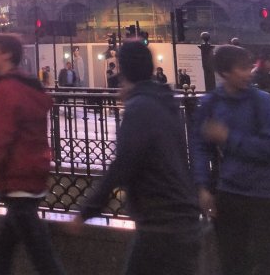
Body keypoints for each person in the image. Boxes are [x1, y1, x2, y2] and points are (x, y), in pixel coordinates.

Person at [73, 41, 201, 275]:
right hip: (182, 215)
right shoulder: (164, 100)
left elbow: (123, 164)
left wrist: (87, 210)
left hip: (160, 221)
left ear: (123, 68)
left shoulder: (140, 107)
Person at [191, 44, 270, 275]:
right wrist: (203, 187)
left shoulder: (262, 101)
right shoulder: (211, 103)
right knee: (232, 262)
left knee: (266, 262)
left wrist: (229, 138)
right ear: (224, 73)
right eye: (242, 68)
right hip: (230, 192)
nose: (248, 73)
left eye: (248, 67)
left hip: (263, 194)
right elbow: (200, 145)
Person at [0, 33, 66, 275]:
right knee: (4, 247)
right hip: (35, 172)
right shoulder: (29, 85)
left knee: (41, 254)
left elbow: (0, 138)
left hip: (19, 178)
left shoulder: (6, 88)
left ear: (6, 54)